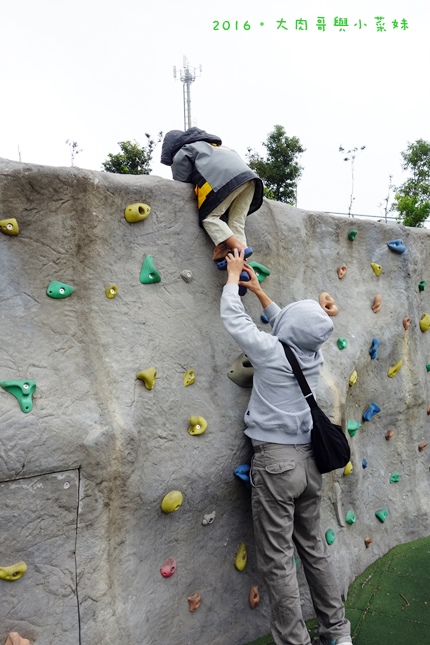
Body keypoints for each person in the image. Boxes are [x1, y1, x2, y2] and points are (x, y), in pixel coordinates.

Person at [220, 249, 352, 645]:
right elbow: (289, 325)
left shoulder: (271, 351)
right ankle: (338, 633)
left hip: (276, 465)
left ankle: (294, 642)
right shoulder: (312, 354)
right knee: (313, 549)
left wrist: (231, 278)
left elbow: (233, 319)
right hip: (310, 465)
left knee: (278, 561)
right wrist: (260, 292)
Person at [160, 127, 263, 261]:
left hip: (225, 182)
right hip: (250, 180)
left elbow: (181, 181)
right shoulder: (218, 146)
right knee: (236, 222)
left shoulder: (183, 150)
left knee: (210, 218)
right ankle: (242, 265)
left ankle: (239, 248)